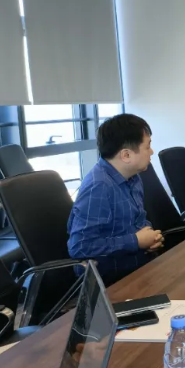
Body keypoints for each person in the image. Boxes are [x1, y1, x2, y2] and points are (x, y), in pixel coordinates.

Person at [67, 114, 163, 286]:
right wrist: (136, 241)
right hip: (112, 280)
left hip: (141, 266)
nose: (152, 152)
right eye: (147, 147)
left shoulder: (133, 177)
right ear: (126, 155)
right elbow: (80, 246)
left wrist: (151, 238)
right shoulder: (98, 187)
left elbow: (138, 220)